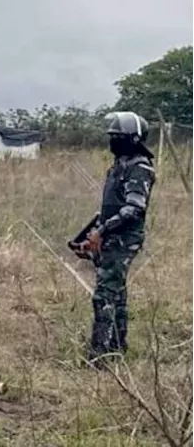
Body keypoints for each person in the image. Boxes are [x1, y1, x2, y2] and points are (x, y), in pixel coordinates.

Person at [77, 111, 156, 364]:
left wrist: (102, 231)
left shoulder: (139, 168)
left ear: (133, 139)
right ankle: (116, 350)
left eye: (117, 137)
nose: (112, 141)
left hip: (123, 240)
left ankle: (99, 357)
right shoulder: (119, 165)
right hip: (112, 237)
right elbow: (112, 206)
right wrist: (92, 234)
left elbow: (134, 209)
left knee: (105, 296)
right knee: (117, 296)